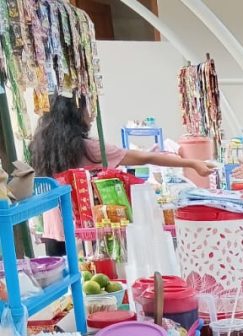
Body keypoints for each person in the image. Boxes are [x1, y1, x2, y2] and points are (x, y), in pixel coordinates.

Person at [29, 94, 214, 256]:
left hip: (52, 233)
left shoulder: (41, 149)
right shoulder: (88, 149)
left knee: (66, 292)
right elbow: (145, 157)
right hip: (82, 234)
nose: (91, 115)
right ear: (75, 113)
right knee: (95, 286)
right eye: (87, 109)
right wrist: (191, 163)